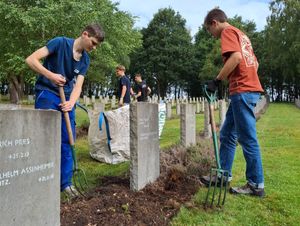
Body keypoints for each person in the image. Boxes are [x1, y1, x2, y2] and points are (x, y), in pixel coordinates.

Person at [25, 24, 105, 196]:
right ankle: (40, 177)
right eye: (93, 43)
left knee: (68, 139)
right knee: (45, 137)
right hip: (47, 92)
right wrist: (51, 76)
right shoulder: (59, 43)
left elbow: (79, 86)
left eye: (97, 45)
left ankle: (66, 183)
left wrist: (71, 102)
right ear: (85, 34)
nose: (94, 48)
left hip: (67, 98)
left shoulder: (85, 60)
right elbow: (31, 60)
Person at [200, 8, 265, 197]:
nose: (211, 35)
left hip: (243, 91)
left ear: (214, 23)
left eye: (208, 30)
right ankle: (223, 175)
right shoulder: (241, 34)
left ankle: (256, 184)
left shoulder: (227, 32)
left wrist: (218, 80)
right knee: (227, 134)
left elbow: (236, 57)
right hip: (247, 89)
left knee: (247, 138)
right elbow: (255, 63)